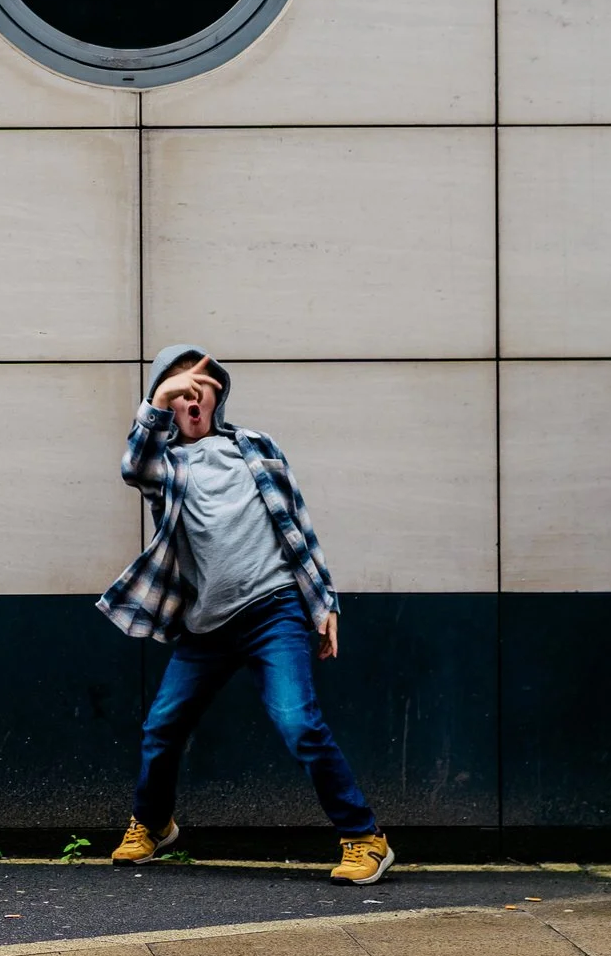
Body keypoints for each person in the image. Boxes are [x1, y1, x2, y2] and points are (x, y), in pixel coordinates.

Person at [99, 344, 392, 885]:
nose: (192, 396)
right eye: (181, 388)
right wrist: (158, 399)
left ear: (218, 399)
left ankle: (364, 838)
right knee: (162, 726)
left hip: (274, 609)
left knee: (299, 723)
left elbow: (297, 526)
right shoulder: (166, 466)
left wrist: (324, 602)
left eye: (203, 388)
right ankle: (154, 823)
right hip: (206, 626)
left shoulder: (254, 447)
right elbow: (132, 466)